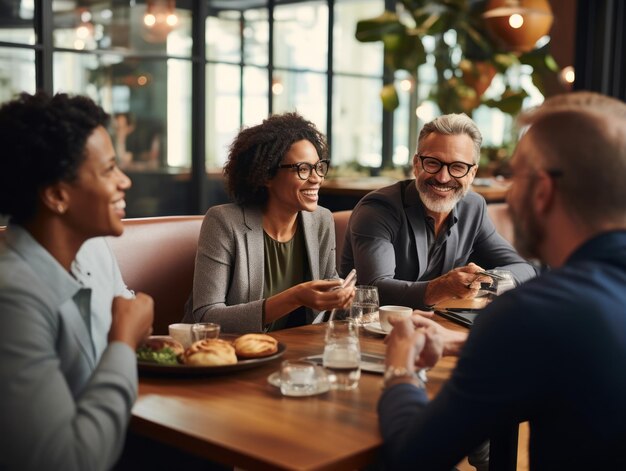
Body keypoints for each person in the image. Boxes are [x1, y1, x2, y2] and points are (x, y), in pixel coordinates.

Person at [379, 92, 626, 469]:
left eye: (514, 176)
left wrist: (400, 370)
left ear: (542, 191)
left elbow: (414, 457)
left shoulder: (531, 313)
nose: (508, 193)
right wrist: (472, 341)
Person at [0, 92, 154, 470]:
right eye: (108, 170)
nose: (125, 181)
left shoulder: (93, 247)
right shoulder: (12, 297)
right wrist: (123, 341)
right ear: (56, 195)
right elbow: (67, 461)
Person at [340, 113, 537, 309]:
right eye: (433, 163)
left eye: (458, 167)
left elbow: (524, 268)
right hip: (368, 329)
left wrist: (485, 281)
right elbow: (375, 289)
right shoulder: (378, 209)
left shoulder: (473, 207)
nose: (443, 178)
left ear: (472, 173)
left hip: (435, 327)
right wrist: (441, 287)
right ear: (416, 164)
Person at [183, 112, 354, 333]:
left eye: (319, 166)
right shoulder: (224, 222)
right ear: (266, 175)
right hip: (224, 354)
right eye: (303, 169)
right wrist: (295, 297)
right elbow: (207, 316)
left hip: (294, 351)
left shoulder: (321, 220)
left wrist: (343, 297)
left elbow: (326, 297)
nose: (316, 178)